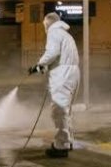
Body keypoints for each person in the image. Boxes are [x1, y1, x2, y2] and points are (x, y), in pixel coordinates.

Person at [28, 12, 80, 158]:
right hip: (73, 72)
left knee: (59, 110)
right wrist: (43, 68)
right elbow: (59, 56)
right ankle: (67, 142)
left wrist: (39, 64)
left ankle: (61, 146)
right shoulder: (65, 34)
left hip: (62, 74)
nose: (44, 28)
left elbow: (52, 53)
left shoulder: (54, 32)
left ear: (48, 23)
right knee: (66, 111)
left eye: (44, 25)